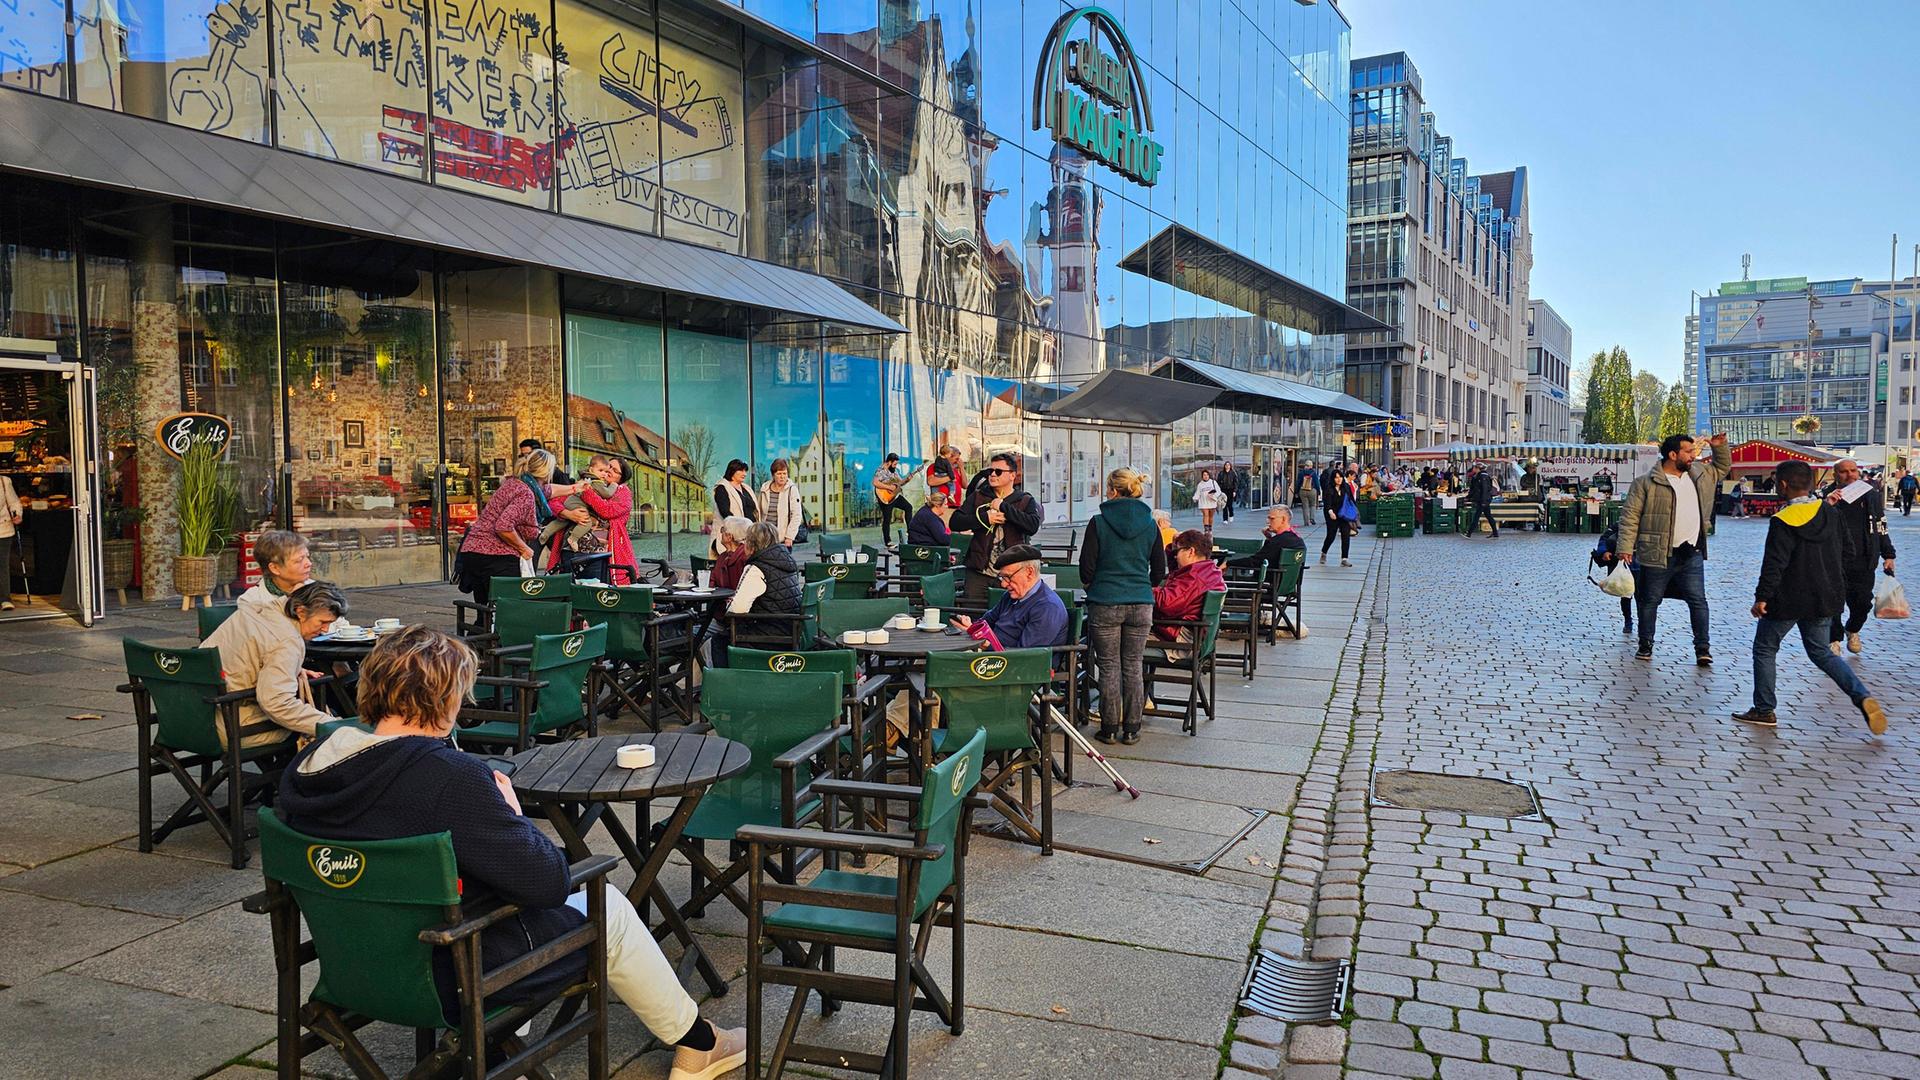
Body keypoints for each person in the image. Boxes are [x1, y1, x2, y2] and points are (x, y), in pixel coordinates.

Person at [277, 627, 747, 1079]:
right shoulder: (448, 779)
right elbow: (545, 884)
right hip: (446, 972)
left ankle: (501, 1056)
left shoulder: (309, 768)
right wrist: (510, 813)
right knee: (611, 908)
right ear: (444, 700)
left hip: (351, 963)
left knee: (491, 896)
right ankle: (700, 1043)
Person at [1733, 462, 1887, 735]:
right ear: (1812, 483)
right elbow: (1848, 552)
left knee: (1766, 648)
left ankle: (1764, 709)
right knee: (1821, 653)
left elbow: (1774, 564)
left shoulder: (1783, 519)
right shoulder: (1830, 512)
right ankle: (1861, 696)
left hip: (1788, 597)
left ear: (1782, 485)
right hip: (1824, 595)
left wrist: (1761, 597)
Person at [1618, 431, 1731, 664]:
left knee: (1698, 600)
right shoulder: (1645, 483)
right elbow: (1630, 517)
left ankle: (1703, 649)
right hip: (1658, 551)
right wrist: (1625, 548)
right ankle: (1645, 645)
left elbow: (1722, 468)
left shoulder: (1700, 474)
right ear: (1672, 454)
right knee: (1649, 600)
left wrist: (1720, 447)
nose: (1693, 456)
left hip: (1691, 553)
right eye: (1688, 452)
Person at [1079, 469, 1168, 745]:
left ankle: (1109, 727)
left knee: (1108, 666)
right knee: (1133, 664)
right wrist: (1142, 583)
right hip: (1141, 602)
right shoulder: (1151, 524)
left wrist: (1094, 585)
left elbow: (1087, 569)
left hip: (1105, 601)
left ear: (1113, 491)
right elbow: (1159, 571)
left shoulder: (1098, 523)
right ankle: (1132, 727)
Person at [203, 581, 348, 748]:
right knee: (315, 726)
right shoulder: (286, 642)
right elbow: (277, 704)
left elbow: (247, 655)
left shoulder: (255, 610)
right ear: (300, 612)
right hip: (231, 725)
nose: (325, 630)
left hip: (198, 715)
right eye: (322, 622)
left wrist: (293, 668)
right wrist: (331, 725)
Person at [454, 449, 571, 605]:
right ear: (547, 472)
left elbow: (548, 491)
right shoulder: (526, 493)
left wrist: (576, 488)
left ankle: (480, 629)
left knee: (485, 612)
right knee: (507, 610)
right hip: (496, 556)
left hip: (474, 552)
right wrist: (523, 548)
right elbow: (503, 527)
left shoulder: (516, 483)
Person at [1821, 458, 1897, 656]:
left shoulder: (1870, 495)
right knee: (1834, 602)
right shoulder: (1826, 495)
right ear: (1835, 474)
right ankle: (1834, 639)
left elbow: (1881, 524)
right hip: (1834, 559)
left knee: (1863, 602)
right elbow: (1818, 525)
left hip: (1864, 558)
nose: (1850, 475)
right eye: (1844, 471)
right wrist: (1827, 505)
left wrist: (1888, 554)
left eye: (1853, 470)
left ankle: (1853, 629)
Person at [950, 452, 1042, 603]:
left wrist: (1004, 507)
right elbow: (955, 522)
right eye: (989, 471)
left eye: (998, 471)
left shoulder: (1024, 500)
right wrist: (986, 518)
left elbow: (1032, 526)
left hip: (1011, 573)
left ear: (1012, 475)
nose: (992, 475)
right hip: (979, 571)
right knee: (973, 617)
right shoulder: (979, 496)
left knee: (1007, 617)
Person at [951, 545, 1069, 651]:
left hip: (1022, 670)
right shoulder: (1011, 596)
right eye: (1002, 577)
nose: (1003, 584)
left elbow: (1026, 656)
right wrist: (971, 627)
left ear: (1029, 572)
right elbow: (987, 620)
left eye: (1008, 577)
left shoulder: (1047, 607)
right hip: (996, 658)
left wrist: (986, 644)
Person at [1152, 530, 1226, 653]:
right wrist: (1173, 546)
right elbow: (1176, 574)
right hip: (1195, 635)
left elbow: (1167, 604)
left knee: (1128, 637)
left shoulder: (1194, 577)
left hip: (1182, 640)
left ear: (1191, 552)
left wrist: (1144, 590)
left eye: (1178, 552)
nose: (1175, 556)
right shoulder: (1208, 570)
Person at [242, 530, 314, 601]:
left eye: (307, 556)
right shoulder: (250, 600)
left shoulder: (319, 592)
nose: (309, 564)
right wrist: (295, 599)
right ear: (275, 568)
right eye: (299, 560)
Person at [1593, 518, 1635, 637]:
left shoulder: (1647, 525)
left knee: (1643, 597)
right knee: (1625, 593)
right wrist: (1604, 552)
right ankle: (1628, 621)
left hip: (1640, 563)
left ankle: (1643, 623)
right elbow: (1604, 538)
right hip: (1621, 563)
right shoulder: (1620, 524)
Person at [1229, 506, 1306, 571]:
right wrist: (1269, 539)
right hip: (1287, 585)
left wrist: (1228, 563)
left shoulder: (1278, 541)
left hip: (1267, 584)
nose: (1267, 522)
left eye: (1272, 519)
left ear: (1283, 520)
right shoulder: (1298, 541)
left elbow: (1255, 561)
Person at [711, 459, 758, 557]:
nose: (744, 473)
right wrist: (742, 527)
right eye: (741, 470)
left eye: (745, 471)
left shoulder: (746, 488)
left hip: (748, 537)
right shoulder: (722, 488)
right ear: (732, 471)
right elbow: (725, 513)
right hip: (731, 539)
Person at [758, 458, 804, 547]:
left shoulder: (792, 489)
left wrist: (790, 536)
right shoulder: (765, 489)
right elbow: (758, 512)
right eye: (779, 474)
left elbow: (796, 515)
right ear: (773, 475)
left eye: (784, 473)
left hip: (782, 539)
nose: (782, 476)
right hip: (764, 538)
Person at [1320, 462, 1357, 567]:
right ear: (1333, 479)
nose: (1338, 479)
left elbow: (1351, 500)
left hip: (1343, 514)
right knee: (1331, 535)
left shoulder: (1346, 487)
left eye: (1340, 477)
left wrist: (1354, 512)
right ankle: (1324, 552)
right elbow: (1327, 502)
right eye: (1336, 478)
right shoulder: (1329, 489)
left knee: (1346, 535)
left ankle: (1344, 558)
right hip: (1332, 514)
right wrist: (1330, 512)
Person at [873, 453, 912, 546]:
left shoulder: (894, 471)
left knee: (908, 507)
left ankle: (910, 531)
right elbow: (875, 482)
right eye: (894, 464)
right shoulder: (881, 471)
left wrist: (907, 480)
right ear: (889, 462)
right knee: (887, 518)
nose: (895, 466)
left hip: (895, 496)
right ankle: (888, 541)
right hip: (885, 497)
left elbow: (899, 482)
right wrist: (889, 487)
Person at [709, 516, 754, 591]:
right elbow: (712, 582)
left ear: (729, 536)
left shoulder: (745, 557)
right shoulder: (723, 556)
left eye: (722, 530)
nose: (720, 532)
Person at [0, 471, 19, 610]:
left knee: (2, 565)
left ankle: (5, 598)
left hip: (3, 528)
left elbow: (14, 502)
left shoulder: (4, 481)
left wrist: (17, 514)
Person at [1467, 463, 1500, 538]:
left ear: (1478, 468)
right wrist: (1469, 496)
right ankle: (1495, 533)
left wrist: (1484, 501)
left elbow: (1485, 490)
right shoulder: (1479, 476)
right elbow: (1475, 489)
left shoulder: (1482, 477)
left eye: (1474, 468)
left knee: (1477, 516)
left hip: (1482, 500)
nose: (1473, 469)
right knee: (1488, 516)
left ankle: (1469, 533)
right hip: (1483, 499)